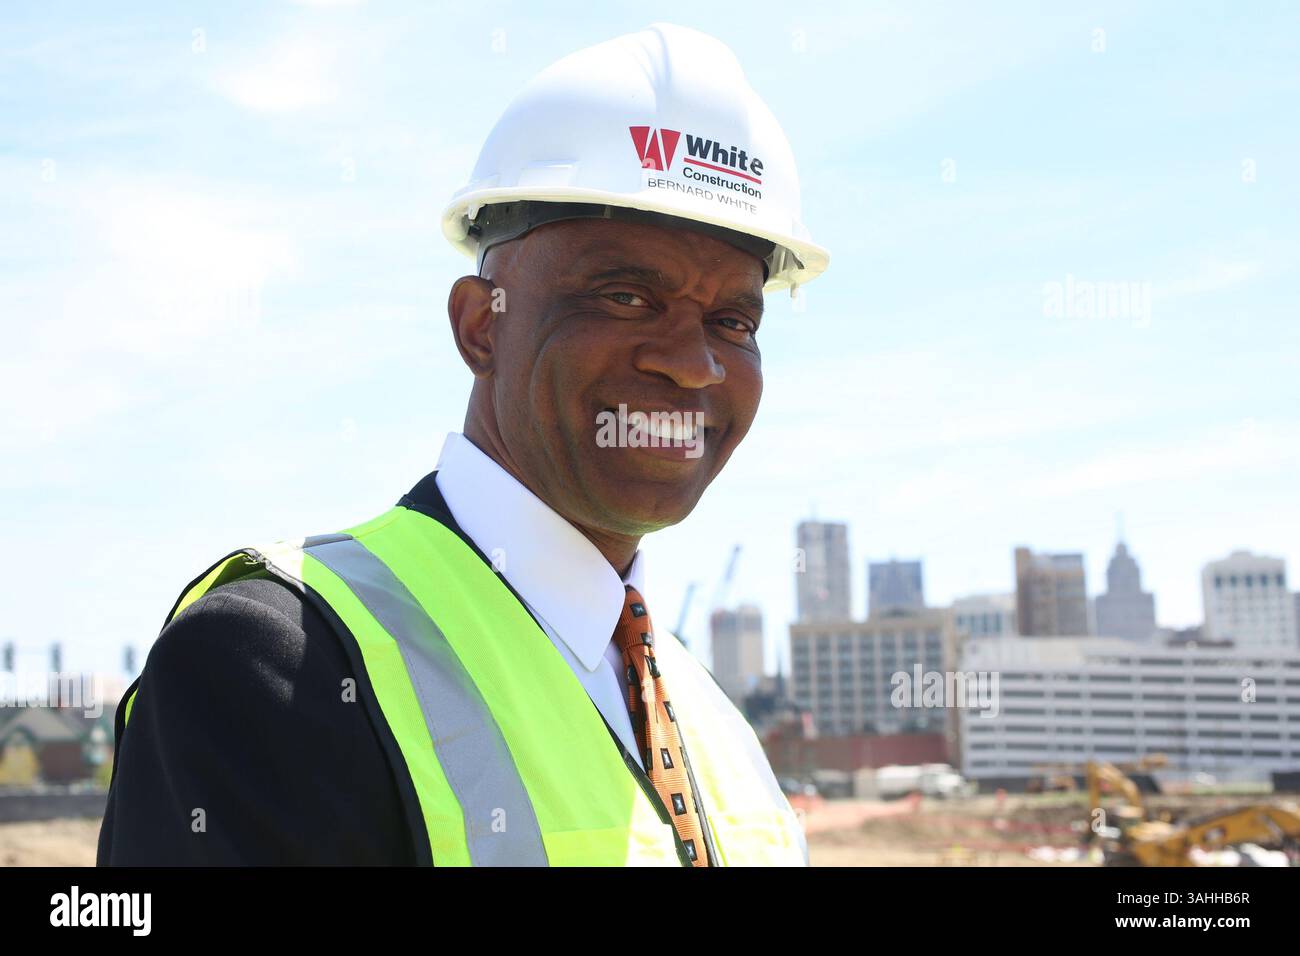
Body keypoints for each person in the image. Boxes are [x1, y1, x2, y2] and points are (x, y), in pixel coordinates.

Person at [98, 21, 829, 867]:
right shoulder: (277, 663)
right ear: (481, 326)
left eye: (732, 320)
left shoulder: (718, 732)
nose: (693, 364)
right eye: (625, 295)